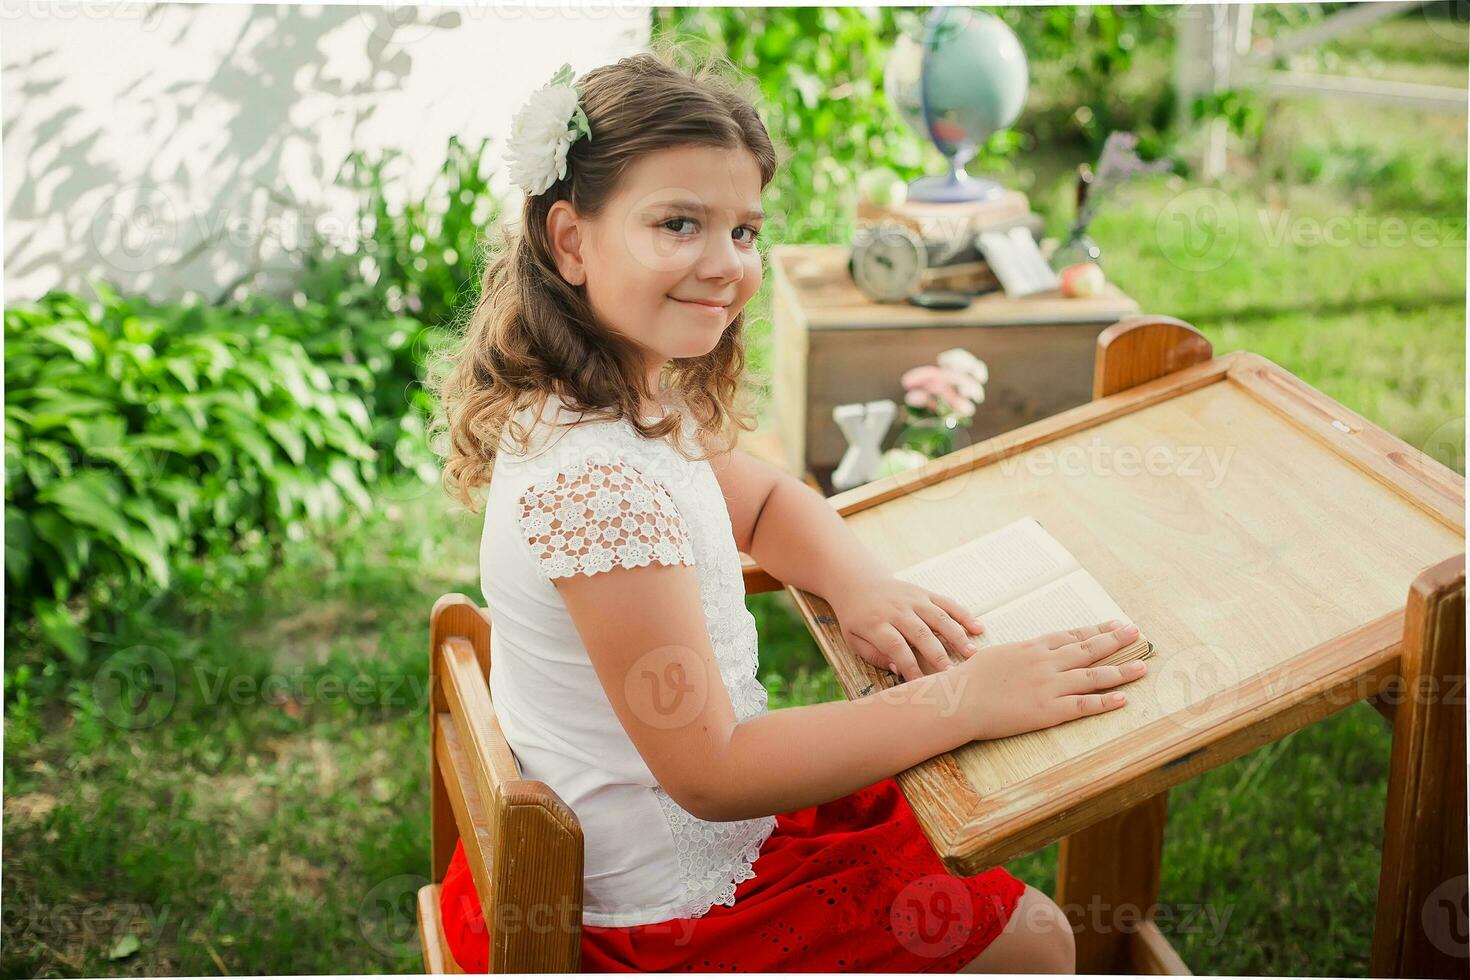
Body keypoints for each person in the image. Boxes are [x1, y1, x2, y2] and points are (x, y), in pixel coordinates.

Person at [425, 48, 1149, 974]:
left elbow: (762, 502)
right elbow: (713, 771)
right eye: (679, 223)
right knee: (1038, 940)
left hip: (678, 828)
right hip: (659, 918)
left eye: (743, 232)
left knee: (974, 843)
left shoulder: (618, 393)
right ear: (571, 242)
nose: (725, 265)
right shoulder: (594, 481)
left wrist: (863, 587)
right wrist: (970, 695)